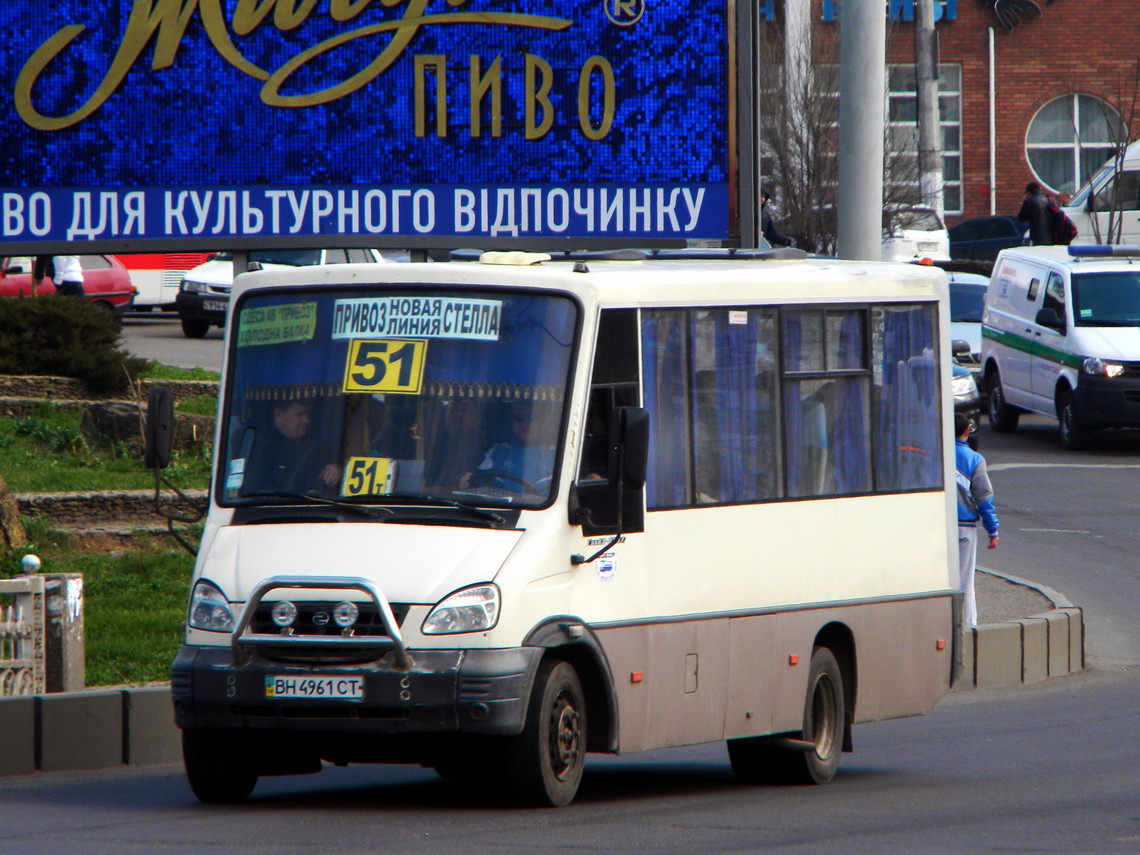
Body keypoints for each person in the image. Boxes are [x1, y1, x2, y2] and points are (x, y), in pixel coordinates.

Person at [955, 412, 999, 628]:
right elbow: (984, 499)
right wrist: (993, 531)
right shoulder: (974, 460)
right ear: (966, 432)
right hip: (964, 528)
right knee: (965, 582)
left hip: (936, 527)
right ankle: (967, 627)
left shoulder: (935, 456)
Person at [245, 400, 342, 496]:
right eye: (299, 414)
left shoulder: (315, 446)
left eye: (307, 413)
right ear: (278, 415)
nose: (306, 420)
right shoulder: (261, 448)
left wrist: (334, 470)